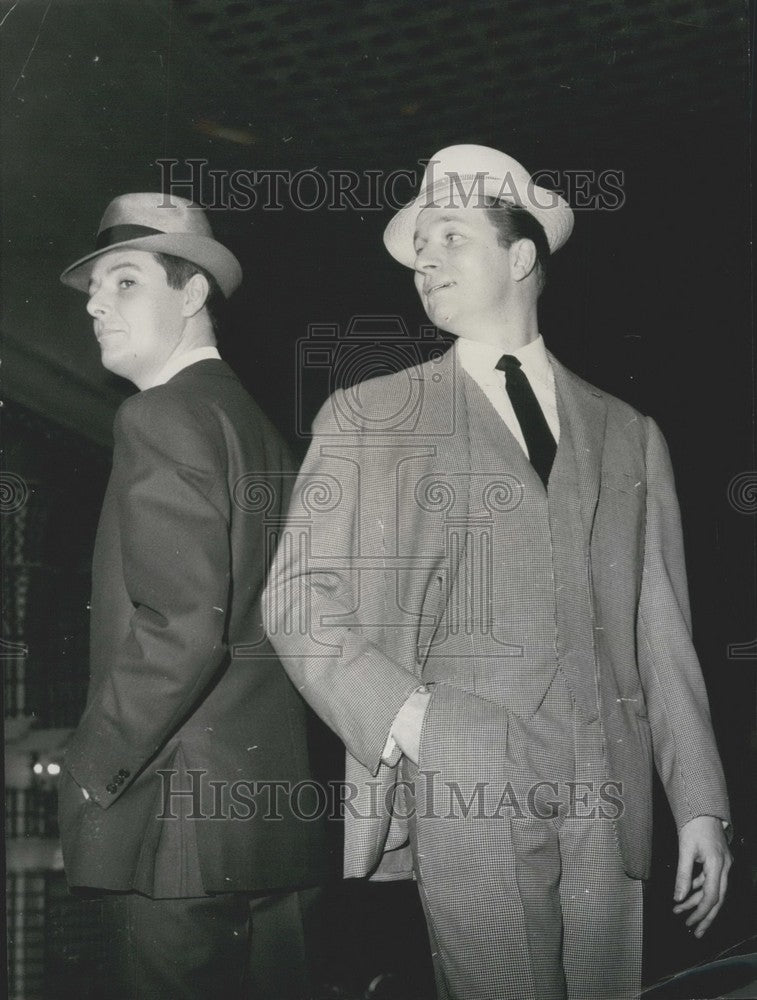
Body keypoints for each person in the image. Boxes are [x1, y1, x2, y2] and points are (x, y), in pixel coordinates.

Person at [263, 145, 732, 1000]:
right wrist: (411, 720)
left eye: (449, 236)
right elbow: (295, 597)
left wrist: (699, 802)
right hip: (463, 769)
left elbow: (661, 635)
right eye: (418, 249)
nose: (425, 261)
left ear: (519, 257)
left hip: (608, 783)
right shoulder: (370, 414)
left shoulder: (629, 432)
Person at [58, 192, 327, 1000]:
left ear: (193, 292)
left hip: (175, 827)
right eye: (95, 290)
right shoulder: (255, 428)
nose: (96, 305)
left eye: (125, 281)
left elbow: (182, 625)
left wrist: (92, 765)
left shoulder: (159, 416)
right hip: (267, 832)